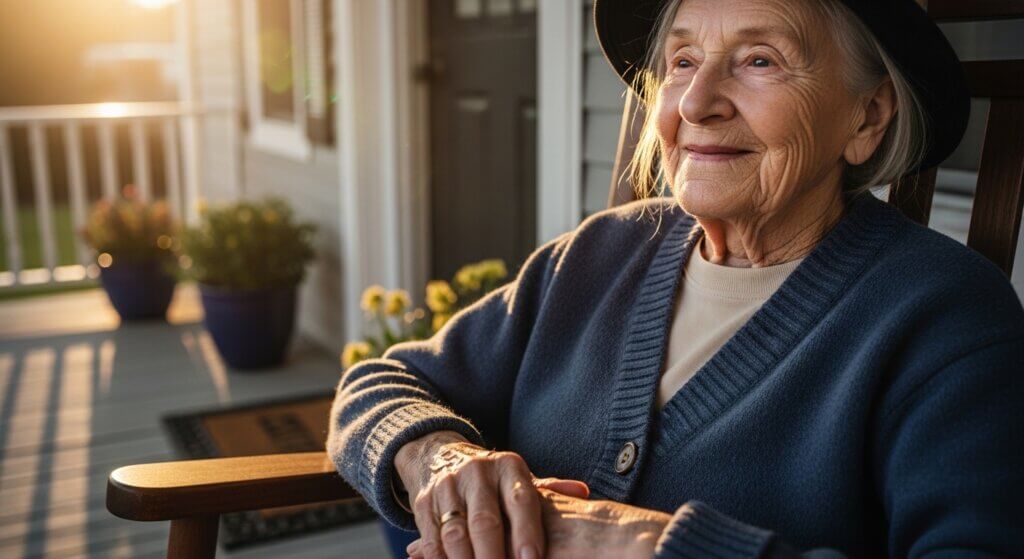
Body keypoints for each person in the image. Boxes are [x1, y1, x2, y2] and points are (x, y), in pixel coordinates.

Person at [329, 0, 1024, 557]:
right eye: (683, 59)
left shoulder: (946, 318)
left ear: (867, 116)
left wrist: (639, 539)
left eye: (759, 59)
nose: (695, 103)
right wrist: (439, 458)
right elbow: (379, 383)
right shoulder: (603, 252)